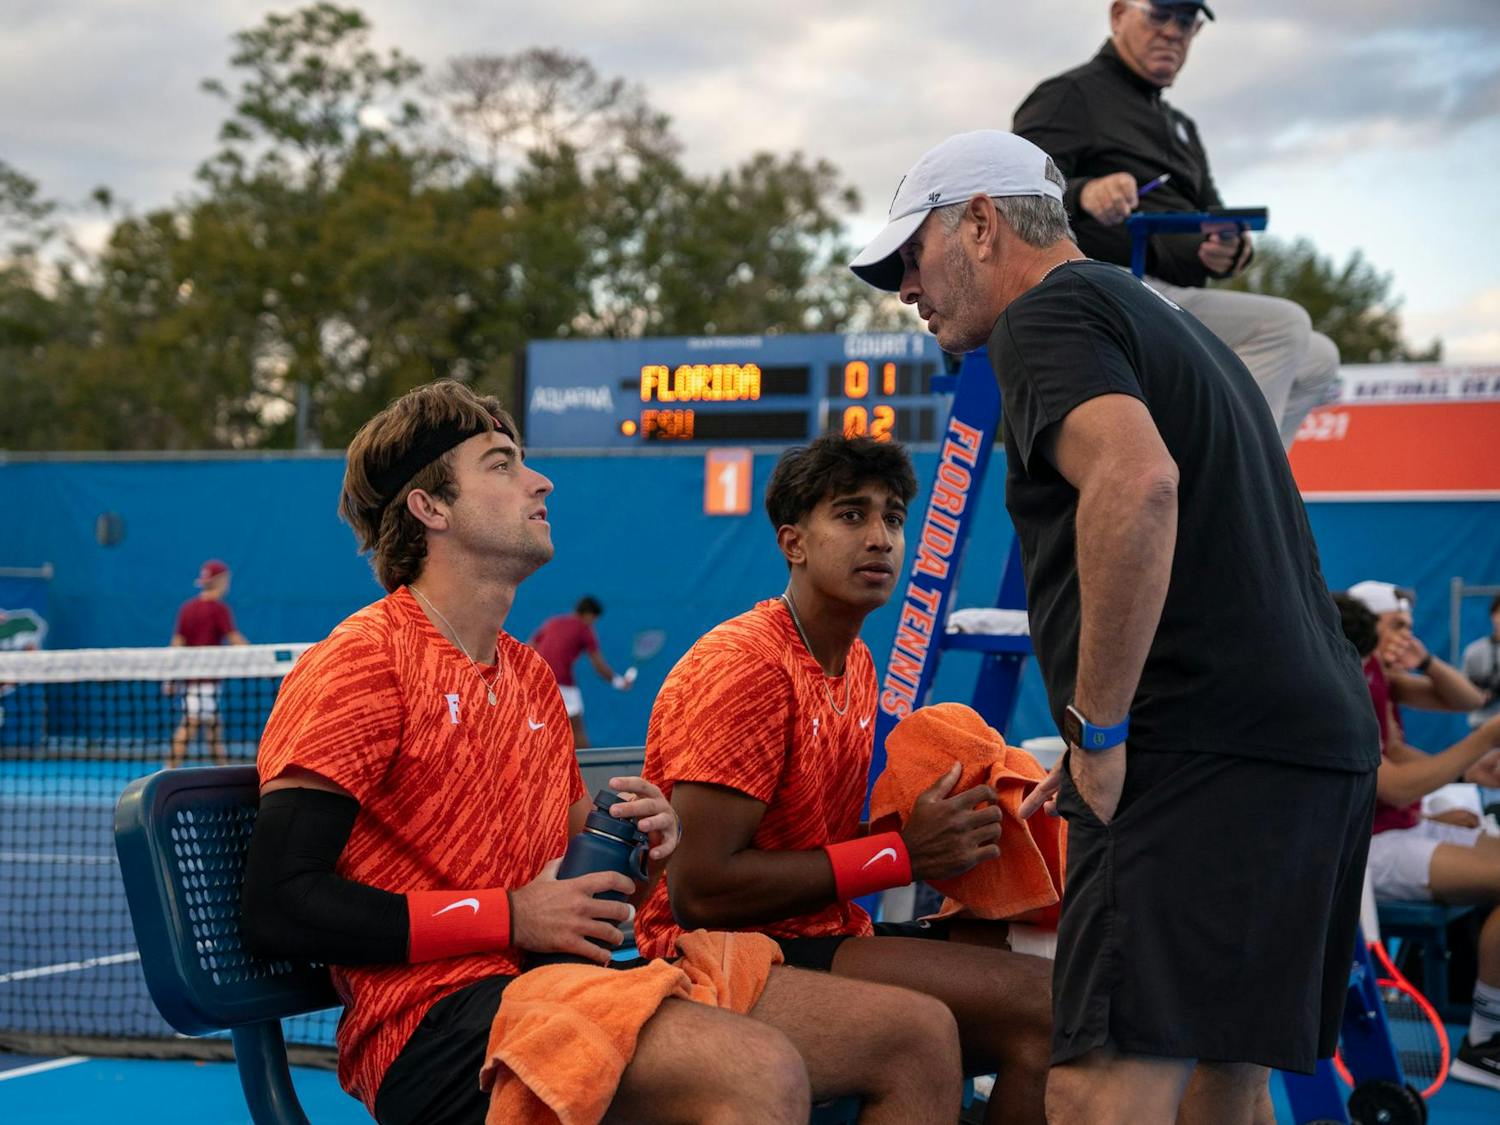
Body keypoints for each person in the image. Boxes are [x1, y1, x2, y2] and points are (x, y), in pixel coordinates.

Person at [240, 380, 964, 1125]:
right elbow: (279, 904)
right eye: (501, 463)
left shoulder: (526, 677)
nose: (539, 479)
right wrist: (508, 916)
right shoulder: (363, 660)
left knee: (917, 1040)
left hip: (556, 983)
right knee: (757, 1069)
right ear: (432, 508)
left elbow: (595, 887)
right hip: (432, 1026)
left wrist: (643, 850)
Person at [849, 128, 1379, 1124]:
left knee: (1100, 1085)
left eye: (910, 257)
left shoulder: (1047, 316)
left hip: (1196, 746)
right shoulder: (1175, 328)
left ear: (979, 223)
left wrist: (1100, 730)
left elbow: (1137, 486)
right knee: (1227, 1075)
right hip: (1310, 747)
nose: (905, 291)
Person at [634, 433, 1053, 1125]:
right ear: (794, 543)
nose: (881, 537)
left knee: (1063, 983)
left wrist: (959, 831)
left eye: (892, 517)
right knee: (1026, 1011)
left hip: (819, 930)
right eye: (851, 515)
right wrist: (898, 853)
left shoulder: (853, 659)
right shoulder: (747, 667)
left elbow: (812, 846)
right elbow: (698, 890)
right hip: (717, 953)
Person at [1012, 0, 1339, 450]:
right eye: (1159, 15)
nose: (1172, 32)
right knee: (1283, 326)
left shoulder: (1180, 126)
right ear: (1119, 15)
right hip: (1100, 291)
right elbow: (1016, 192)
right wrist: (1085, 192)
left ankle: (1223, 479)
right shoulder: (1071, 94)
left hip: (1169, 298)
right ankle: (1232, 488)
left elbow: (1220, 219)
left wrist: (1230, 250)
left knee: (1319, 358)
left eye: (1185, 21)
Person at [1335, 593, 1500, 1090]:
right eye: (1397, 625)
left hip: (1401, 824)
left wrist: (1457, 779)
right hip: (1368, 850)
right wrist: (1484, 740)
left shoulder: (1372, 670)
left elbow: (1458, 706)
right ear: (1368, 626)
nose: (1406, 636)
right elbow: (1393, 783)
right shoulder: (1341, 681)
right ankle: (1484, 1041)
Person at [1347, 580, 1488, 718]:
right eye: (1397, 625)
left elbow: (1472, 701)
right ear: (1365, 625)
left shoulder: (1385, 679)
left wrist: (1426, 662)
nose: (1407, 636)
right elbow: (1393, 743)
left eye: (1408, 628)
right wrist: (1491, 732)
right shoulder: (1344, 679)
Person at [165, 558, 248, 768]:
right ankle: (166, 771)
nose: (228, 583)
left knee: (213, 731)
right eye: (226, 579)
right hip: (206, 682)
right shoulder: (218, 609)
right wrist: (259, 659)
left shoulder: (187, 608)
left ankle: (223, 773)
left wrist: (170, 676)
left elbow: (177, 643)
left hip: (195, 680)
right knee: (189, 726)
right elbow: (234, 638)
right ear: (220, 581)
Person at [529, 595, 635, 748]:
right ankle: (590, 771)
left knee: (539, 729)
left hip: (536, 682)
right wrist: (619, 682)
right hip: (561, 683)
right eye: (594, 620)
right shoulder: (584, 628)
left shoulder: (552, 622)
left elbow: (529, 646)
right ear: (589, 615)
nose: (593, 623)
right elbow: (599, 665)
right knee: (577, 732)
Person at [1461, 594, 1500, 729]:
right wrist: (1479, 695)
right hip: (1482, 724)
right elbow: (1463, 691)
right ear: (1492, 616)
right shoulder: (1474, 651)